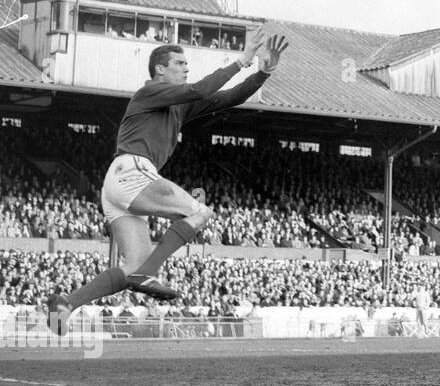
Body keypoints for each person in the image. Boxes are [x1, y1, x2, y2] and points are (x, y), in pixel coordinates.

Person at [47, 29, 288, 334]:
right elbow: (199, 90)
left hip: (117, 182)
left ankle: (67, 303)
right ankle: (149, 272)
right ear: (160, 69)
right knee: (199, 212)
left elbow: (231, 97)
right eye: (179, 63)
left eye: (186, 63)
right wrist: (243, 60)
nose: (186, 67)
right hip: (133, 171)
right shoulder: (150, 92)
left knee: (131, 266)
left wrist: (264, 71)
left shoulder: (178, 103)